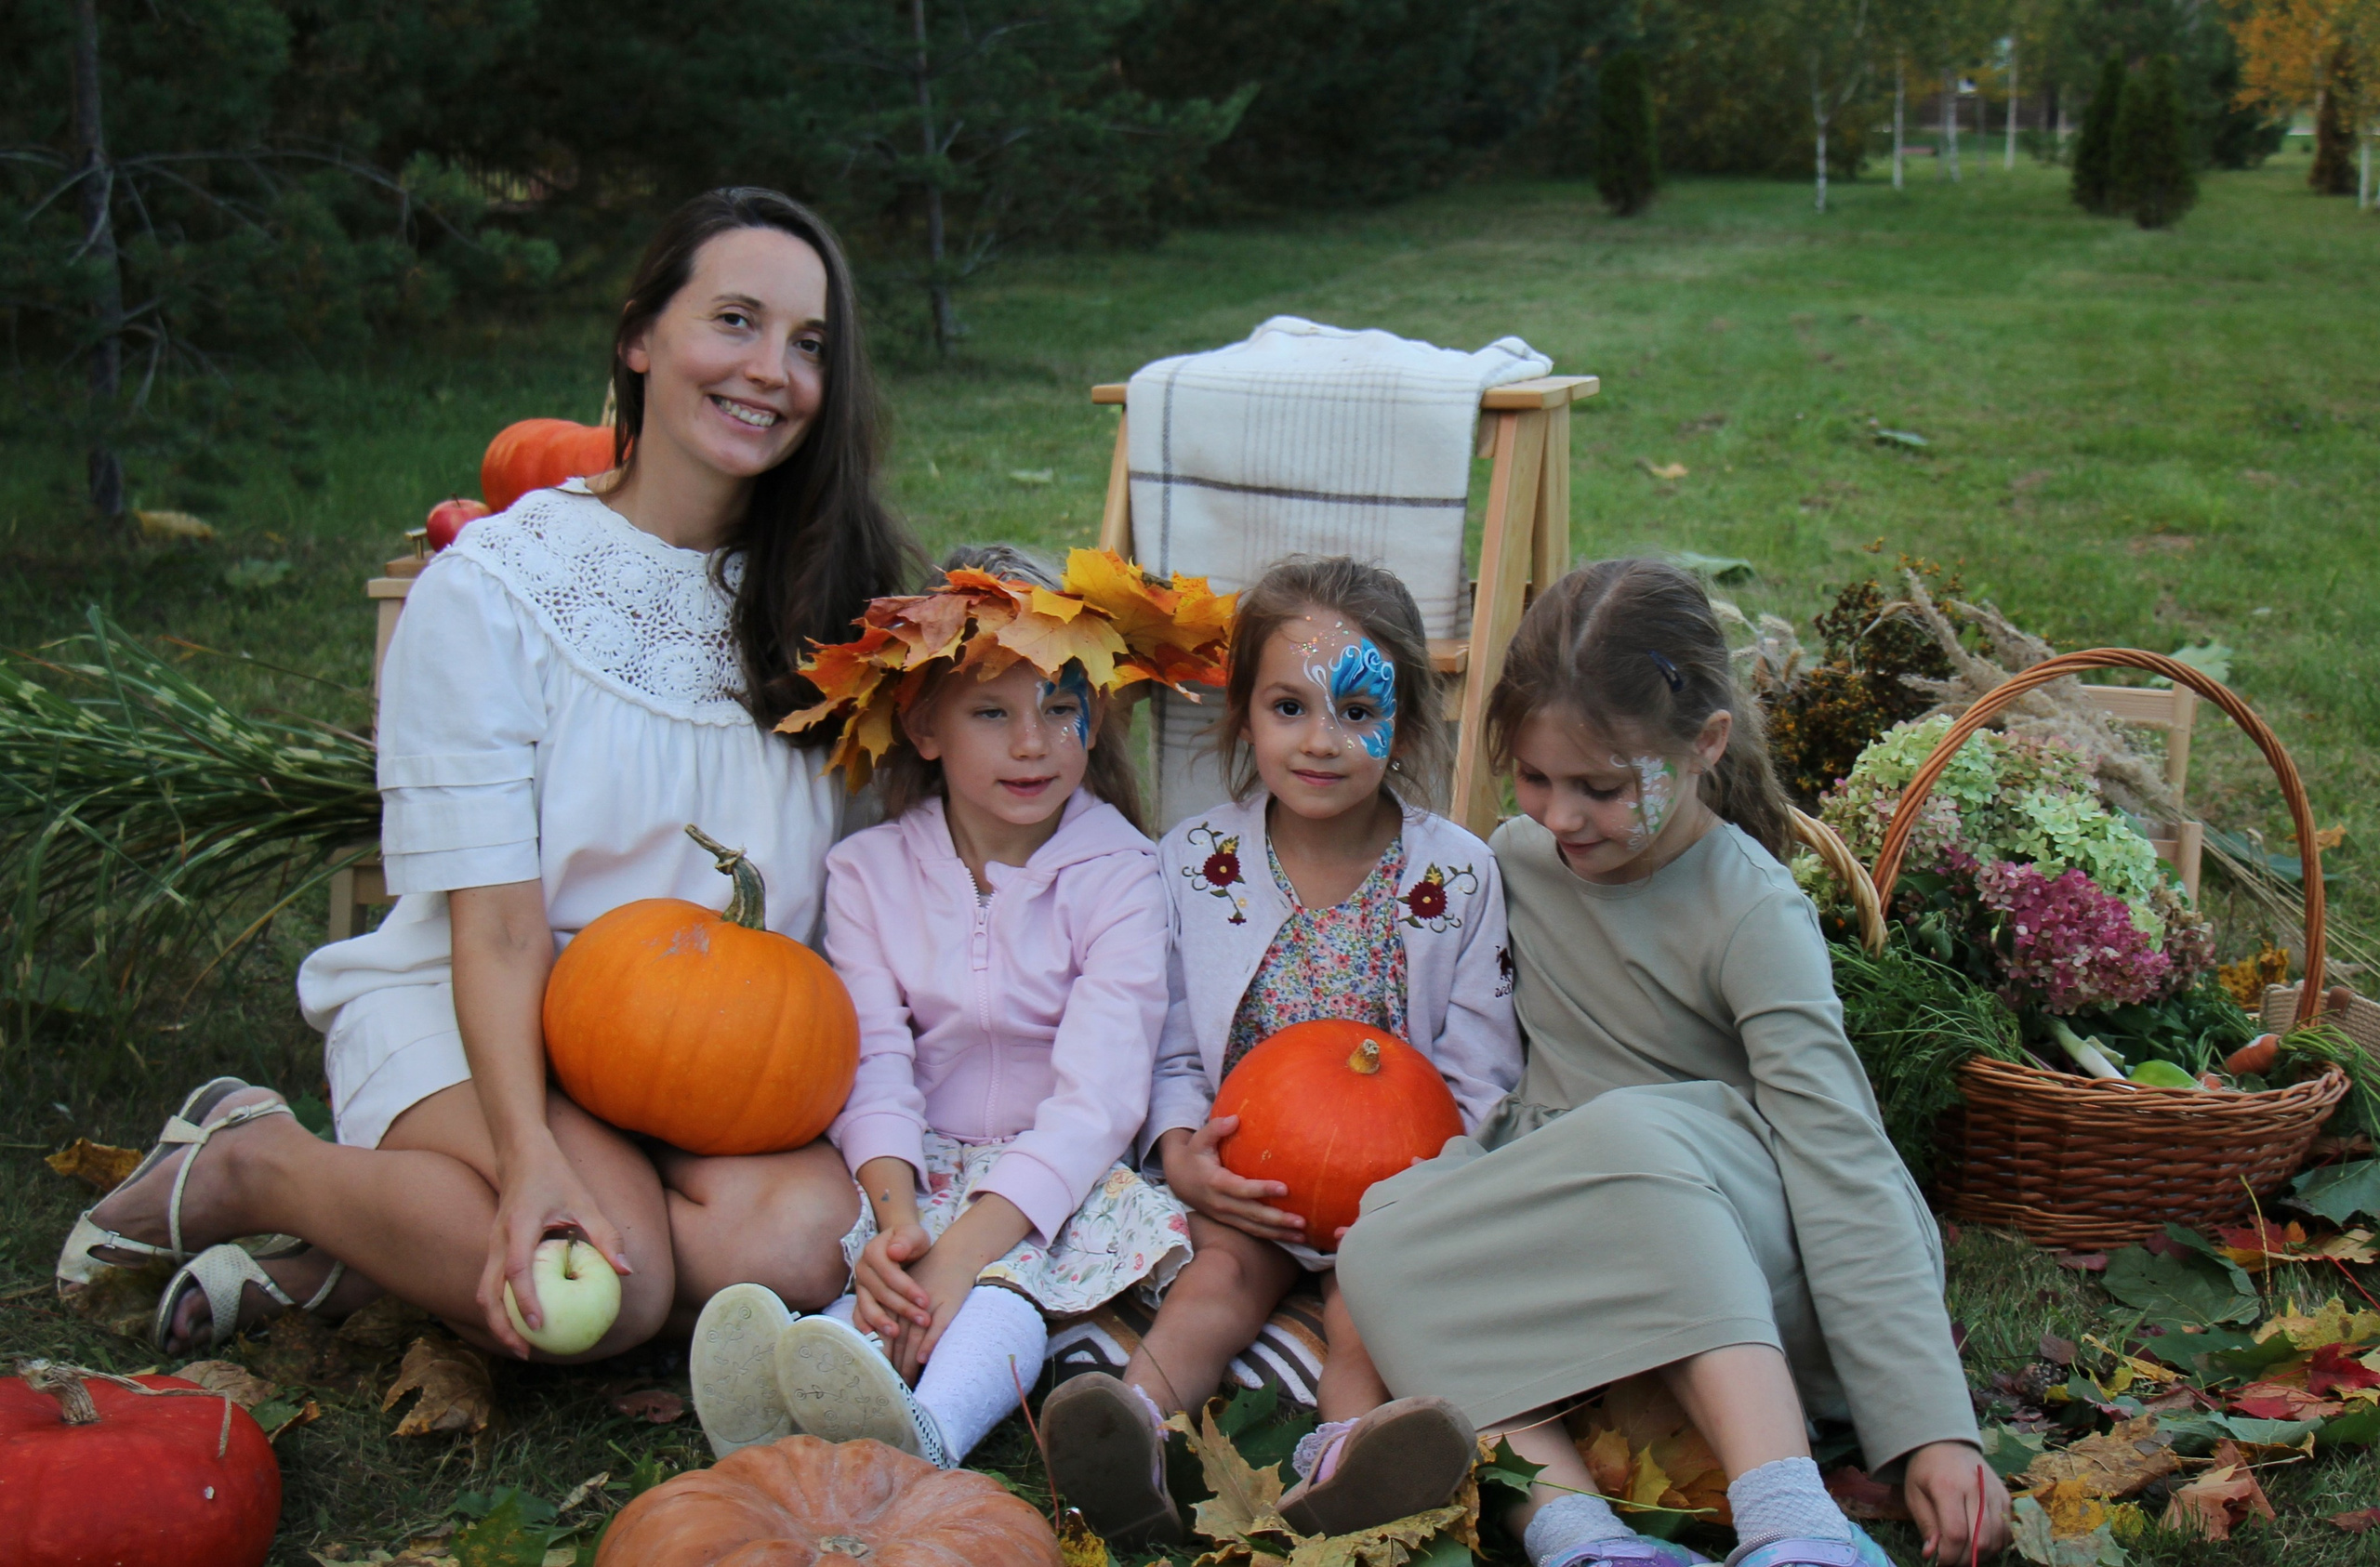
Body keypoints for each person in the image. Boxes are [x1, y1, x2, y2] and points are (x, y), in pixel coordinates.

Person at [56, 188, 917, 1362]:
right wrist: (527, 1160)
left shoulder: (834, 599)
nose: (771, 370)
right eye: (734, 322)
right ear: (638, 339)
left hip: (698, 1042)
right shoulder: (497, 589)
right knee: (610, 1287)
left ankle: (369, 1258)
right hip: (479, 1007)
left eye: (808, 345)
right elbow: (500, 933)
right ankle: (264, 1164)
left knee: (800, 1245)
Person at [1334, 560, 2014, 1567]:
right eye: (1533, 778)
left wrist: (1930, 1424)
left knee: (1629, 1131)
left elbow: (1840, 1154)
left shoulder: (1750, 911)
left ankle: (1793, 1522)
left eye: (1601, 789)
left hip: (1741, 1249)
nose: (1560, 817)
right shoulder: (1516, 861)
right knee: (1375, 1248)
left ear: (1704, 747)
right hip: (1578, 1211)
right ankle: (1579, 1536)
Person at [687, 546, 1204, 1470]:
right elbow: (873, 1058)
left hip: (1058, 1176)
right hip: (914, 1160)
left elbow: (1100, 1096)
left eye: (1059, 707)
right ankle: (802, 1391)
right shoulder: (868, 874)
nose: (1032, 743)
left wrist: (966, 1247)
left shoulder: (1121, 877)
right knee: (890, 1281)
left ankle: (928, 1439)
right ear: (924, 727)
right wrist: (898, 1220)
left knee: (1000, 1285)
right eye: (991, 712)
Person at [1041, 556, 1522, 1547]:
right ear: (1242, 717)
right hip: (1247, 1185)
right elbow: (1169, 1048)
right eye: (1288, 707)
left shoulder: (1457, 877)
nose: (1322, 741)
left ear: (1406, 722)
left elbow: (1482, 1072)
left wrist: (1424, 1193)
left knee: (1361, 1314)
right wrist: (1183, 1153)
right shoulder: (1193, 865)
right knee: (1216, 1285)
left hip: (1394, 1198)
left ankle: (1349, 1465)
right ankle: (1128, 1430)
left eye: (1357, 710)